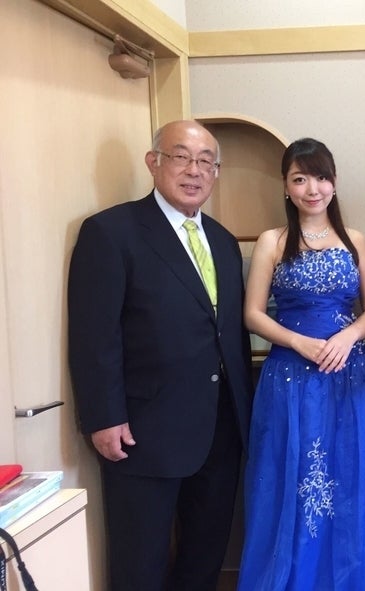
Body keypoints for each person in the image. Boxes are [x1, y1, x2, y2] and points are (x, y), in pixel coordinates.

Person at [68, 120, 253, 590]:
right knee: (140, 563)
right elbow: (94, 334)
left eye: (206, 161)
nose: (195, 171)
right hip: (143, 431)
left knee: (204, 557)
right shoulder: (111, 232)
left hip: (219, 428)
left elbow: (227, 332)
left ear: (216, 172)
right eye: (181, 157)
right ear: (154, 162)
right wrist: (103, 416)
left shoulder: (223, 241)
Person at [237, 138, 365, 590]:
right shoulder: (272, 241)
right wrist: (298, 342)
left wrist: (347, 336)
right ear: (286, 187)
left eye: (320, 177)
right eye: (299, 179)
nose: (312, 188)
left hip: (352, 375)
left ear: (334, 183)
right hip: (290, 378)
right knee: (295, 477)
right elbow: (252, 314)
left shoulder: (354, 240)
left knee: (355, 476)